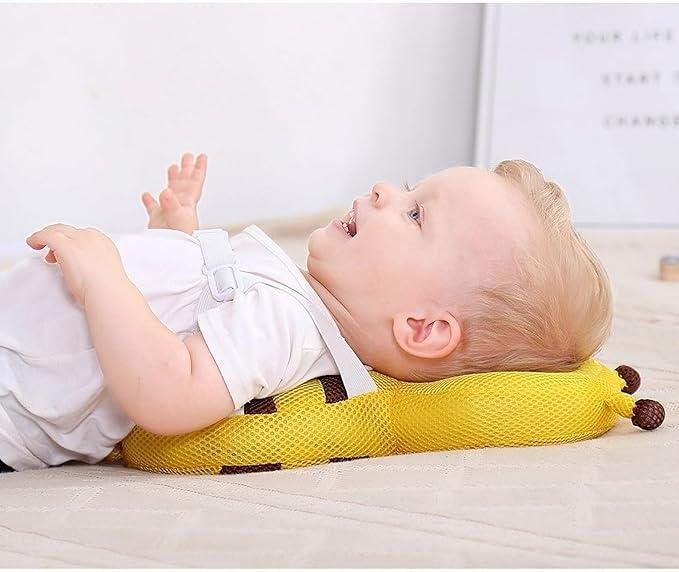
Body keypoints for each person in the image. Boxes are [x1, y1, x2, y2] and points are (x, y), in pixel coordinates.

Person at [0, 153, 612, 471]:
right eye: (409, 186)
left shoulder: (289, 326)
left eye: (416, 214)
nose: (384, 189)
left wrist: (105, 279)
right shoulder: (293, 297)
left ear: (422, 328)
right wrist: (174, 242)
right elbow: (178, 324)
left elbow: (168, 392)